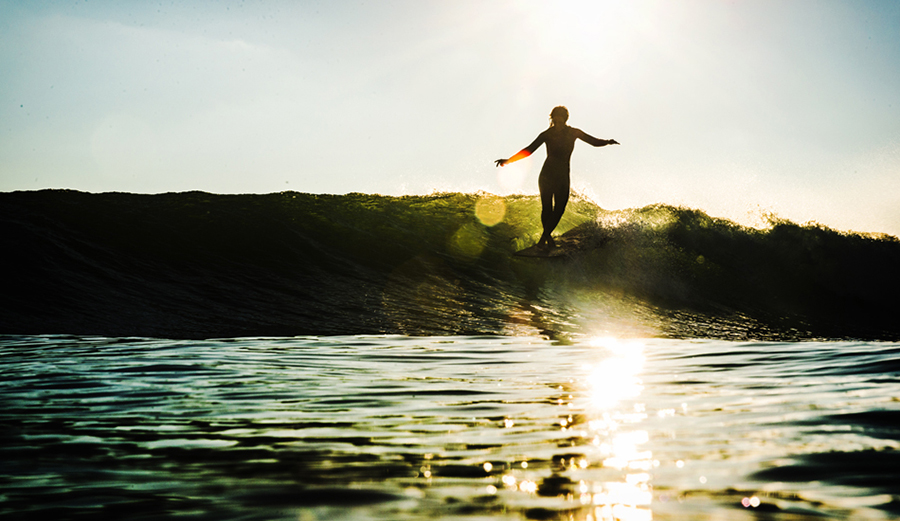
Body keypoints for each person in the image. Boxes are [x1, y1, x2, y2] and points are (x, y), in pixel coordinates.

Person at [496, 106, 618, 249]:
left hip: (562, 176)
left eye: (561, 117)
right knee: (547, 208)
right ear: (552, 118)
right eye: (556, 117)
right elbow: (529, 150)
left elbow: (593, 141)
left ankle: (545, 238)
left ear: (565, 118)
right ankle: (545, 239)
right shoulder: (547, 134)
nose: (558, 120)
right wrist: (508, 160)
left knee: (559, 208)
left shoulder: (573, 132)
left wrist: (608, 141)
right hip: (547, 174)